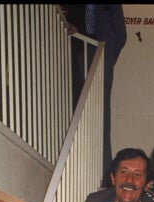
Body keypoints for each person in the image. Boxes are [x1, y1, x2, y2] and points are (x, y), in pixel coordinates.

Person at [60, 5, 127, 182]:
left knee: (100, 116)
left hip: (99, 52)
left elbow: (120, 34)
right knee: (72, 109)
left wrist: (108, 55)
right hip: (76, 50)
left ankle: (104, 173)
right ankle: (73, 166)